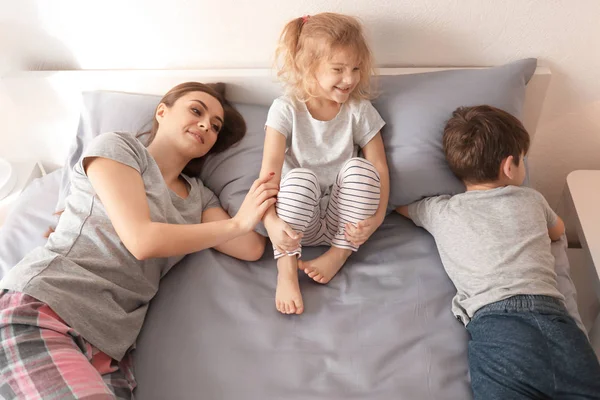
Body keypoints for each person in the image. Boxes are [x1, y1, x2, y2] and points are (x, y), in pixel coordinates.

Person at [0, 82, 278, 399]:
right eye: (196, 111)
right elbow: (141, 240)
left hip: (109, 348)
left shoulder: (199, 197)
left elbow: (251, 247)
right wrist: (238, 223)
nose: (205, 125)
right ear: (162, 111)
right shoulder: (118, 148)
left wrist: (264, 195)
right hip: (46, 308)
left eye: (215, 127)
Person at [396, 105, 600, 399]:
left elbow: (400, 206)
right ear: (509, 166)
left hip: (495, 326)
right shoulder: (532, 198)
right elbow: (558, 232)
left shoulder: (439, 211)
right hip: (553, 319)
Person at [260, 12, 390, 315]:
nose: (350, 79)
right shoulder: (285, 109)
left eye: (356, 68)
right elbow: (268, 175)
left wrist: (378, 218)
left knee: (362, 170)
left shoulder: (360, 110)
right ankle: (287, 270)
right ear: (308, 68)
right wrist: (271, 222)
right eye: (338, 69)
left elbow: (380, 168)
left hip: (342, 221)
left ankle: (338, 255)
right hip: (295, 222)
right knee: (300, 178)